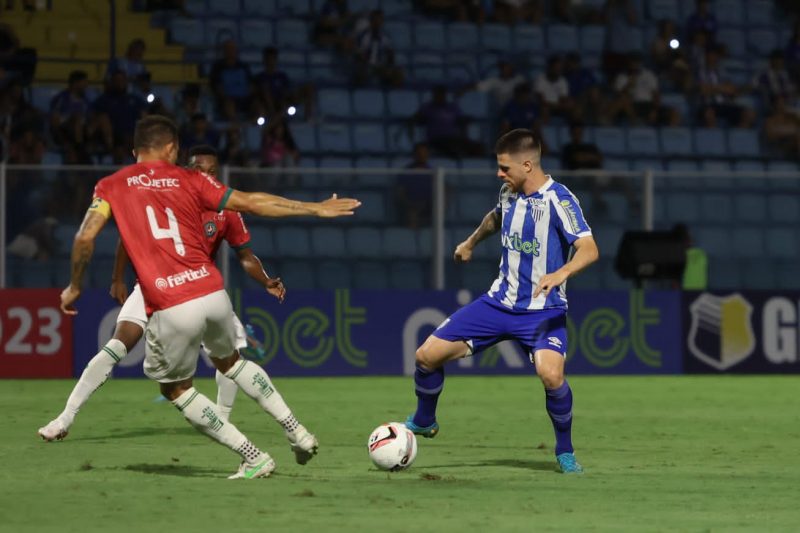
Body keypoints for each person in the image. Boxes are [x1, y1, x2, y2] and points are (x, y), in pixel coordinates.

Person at [57, 116, 360, 479]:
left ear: (134, 150)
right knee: (232, 362)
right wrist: (313, 207)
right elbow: (251, 202)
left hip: (171, 301)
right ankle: (297, 431)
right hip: (212, 291)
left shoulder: (111, 185)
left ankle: (252, 456)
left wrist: (75, 285)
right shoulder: (192, 179)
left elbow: (85, 238)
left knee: (175, 388)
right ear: (171, 148)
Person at [38, 144, 292, 442]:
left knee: (230, 357)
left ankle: (221, 420)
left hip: (198, 288)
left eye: (212, 172)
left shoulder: (225, 211)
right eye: (200, 170)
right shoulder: (169, 195)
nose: (207, 176)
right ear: (186, 169)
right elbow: (127, 238)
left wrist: (265, 280)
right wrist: (118, 277)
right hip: (151, 286)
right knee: (117, 346)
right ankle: (64, 418)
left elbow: (245, 255)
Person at [404, 128, 599, 474]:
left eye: (505, 168)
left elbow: (589, 248)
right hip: (497, 304)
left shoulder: (560, 199)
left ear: (528, 164)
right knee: (425, 356)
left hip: (543, 310)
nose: (499, 174)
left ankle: (565, 452)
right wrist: (470, 242)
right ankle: (424, 420)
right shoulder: (508, 193)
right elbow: (495, 218)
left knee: (551, 375)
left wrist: (561, 273)